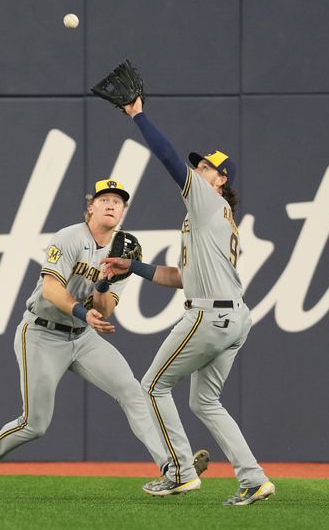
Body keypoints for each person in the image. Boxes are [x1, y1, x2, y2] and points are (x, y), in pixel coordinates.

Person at [102, 97, 275, 506]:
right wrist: (135, 268)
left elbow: (167, 157)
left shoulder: (206, 200)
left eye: (206, 168)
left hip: (209, 317)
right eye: (198, 166)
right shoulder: (213, 218)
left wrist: (137, 115)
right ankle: (253, 478)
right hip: (233, 318)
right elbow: (181, 278)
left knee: (151, 386)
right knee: (204, 400)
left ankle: (179, 471)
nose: (198, 170)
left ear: (220, 179)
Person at [0, 179, 172, 500]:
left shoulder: (123, 249)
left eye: (118, 201)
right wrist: (84, 313)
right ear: (91, 207)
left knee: (131, 391)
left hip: (83, 338)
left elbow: (107, 308)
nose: (112, 205)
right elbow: (51, 289)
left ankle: (170, 468)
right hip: (42, 333)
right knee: (35, 424)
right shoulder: (70, 237)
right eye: (105, 199)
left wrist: (102, 285)